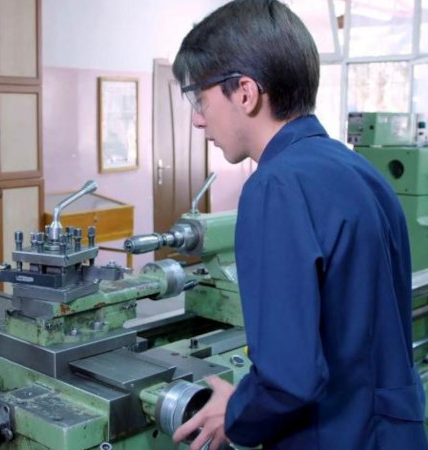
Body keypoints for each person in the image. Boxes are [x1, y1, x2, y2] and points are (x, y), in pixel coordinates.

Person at [169, 1, 428, 448]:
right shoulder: (360, 170)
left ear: (245, 92)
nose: (197, 118)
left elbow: (289, 380)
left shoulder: (276, 186)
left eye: (200, 98)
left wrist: (237, 411)